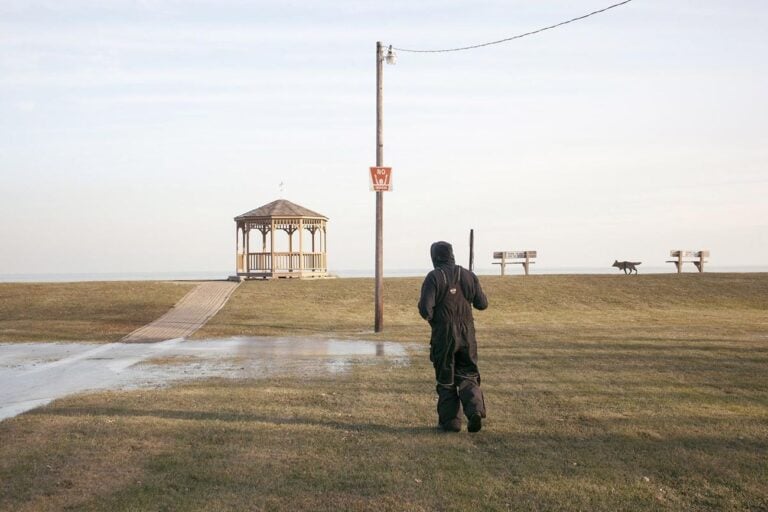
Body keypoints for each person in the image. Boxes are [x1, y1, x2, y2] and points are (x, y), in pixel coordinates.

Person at [418, 241, 488, 433]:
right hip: (467, 334)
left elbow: (425, 309)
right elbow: (482, 304)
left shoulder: (434, 277)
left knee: (446, 379)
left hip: (443, 334)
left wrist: (434, 320)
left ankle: (451, 423)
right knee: (468, 375)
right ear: (451, 254)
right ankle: (474, 410)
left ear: (434, 257)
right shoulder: (467, 275)